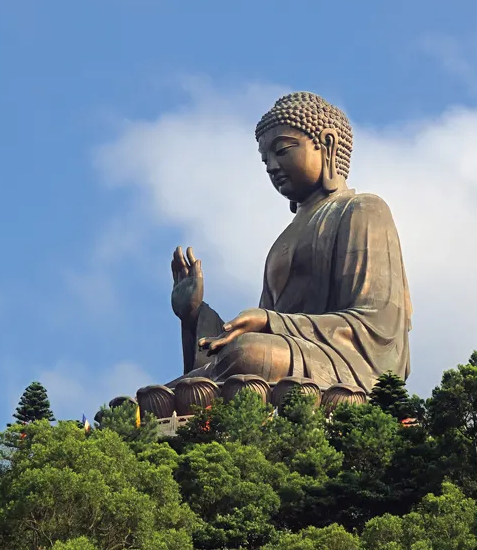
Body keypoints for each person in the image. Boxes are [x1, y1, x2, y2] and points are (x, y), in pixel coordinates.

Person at [169, 91, 412, 392]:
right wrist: (195, 314)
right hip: (288, 356)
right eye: (265, 159)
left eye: (282, 150)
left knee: (249, 353)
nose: (271, 166)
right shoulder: (282, 241)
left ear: (327, 144)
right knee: (241, 354)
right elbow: (256, 331)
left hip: (348, 367)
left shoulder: (363, 210)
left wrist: (271, 322)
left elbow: (376, 327)